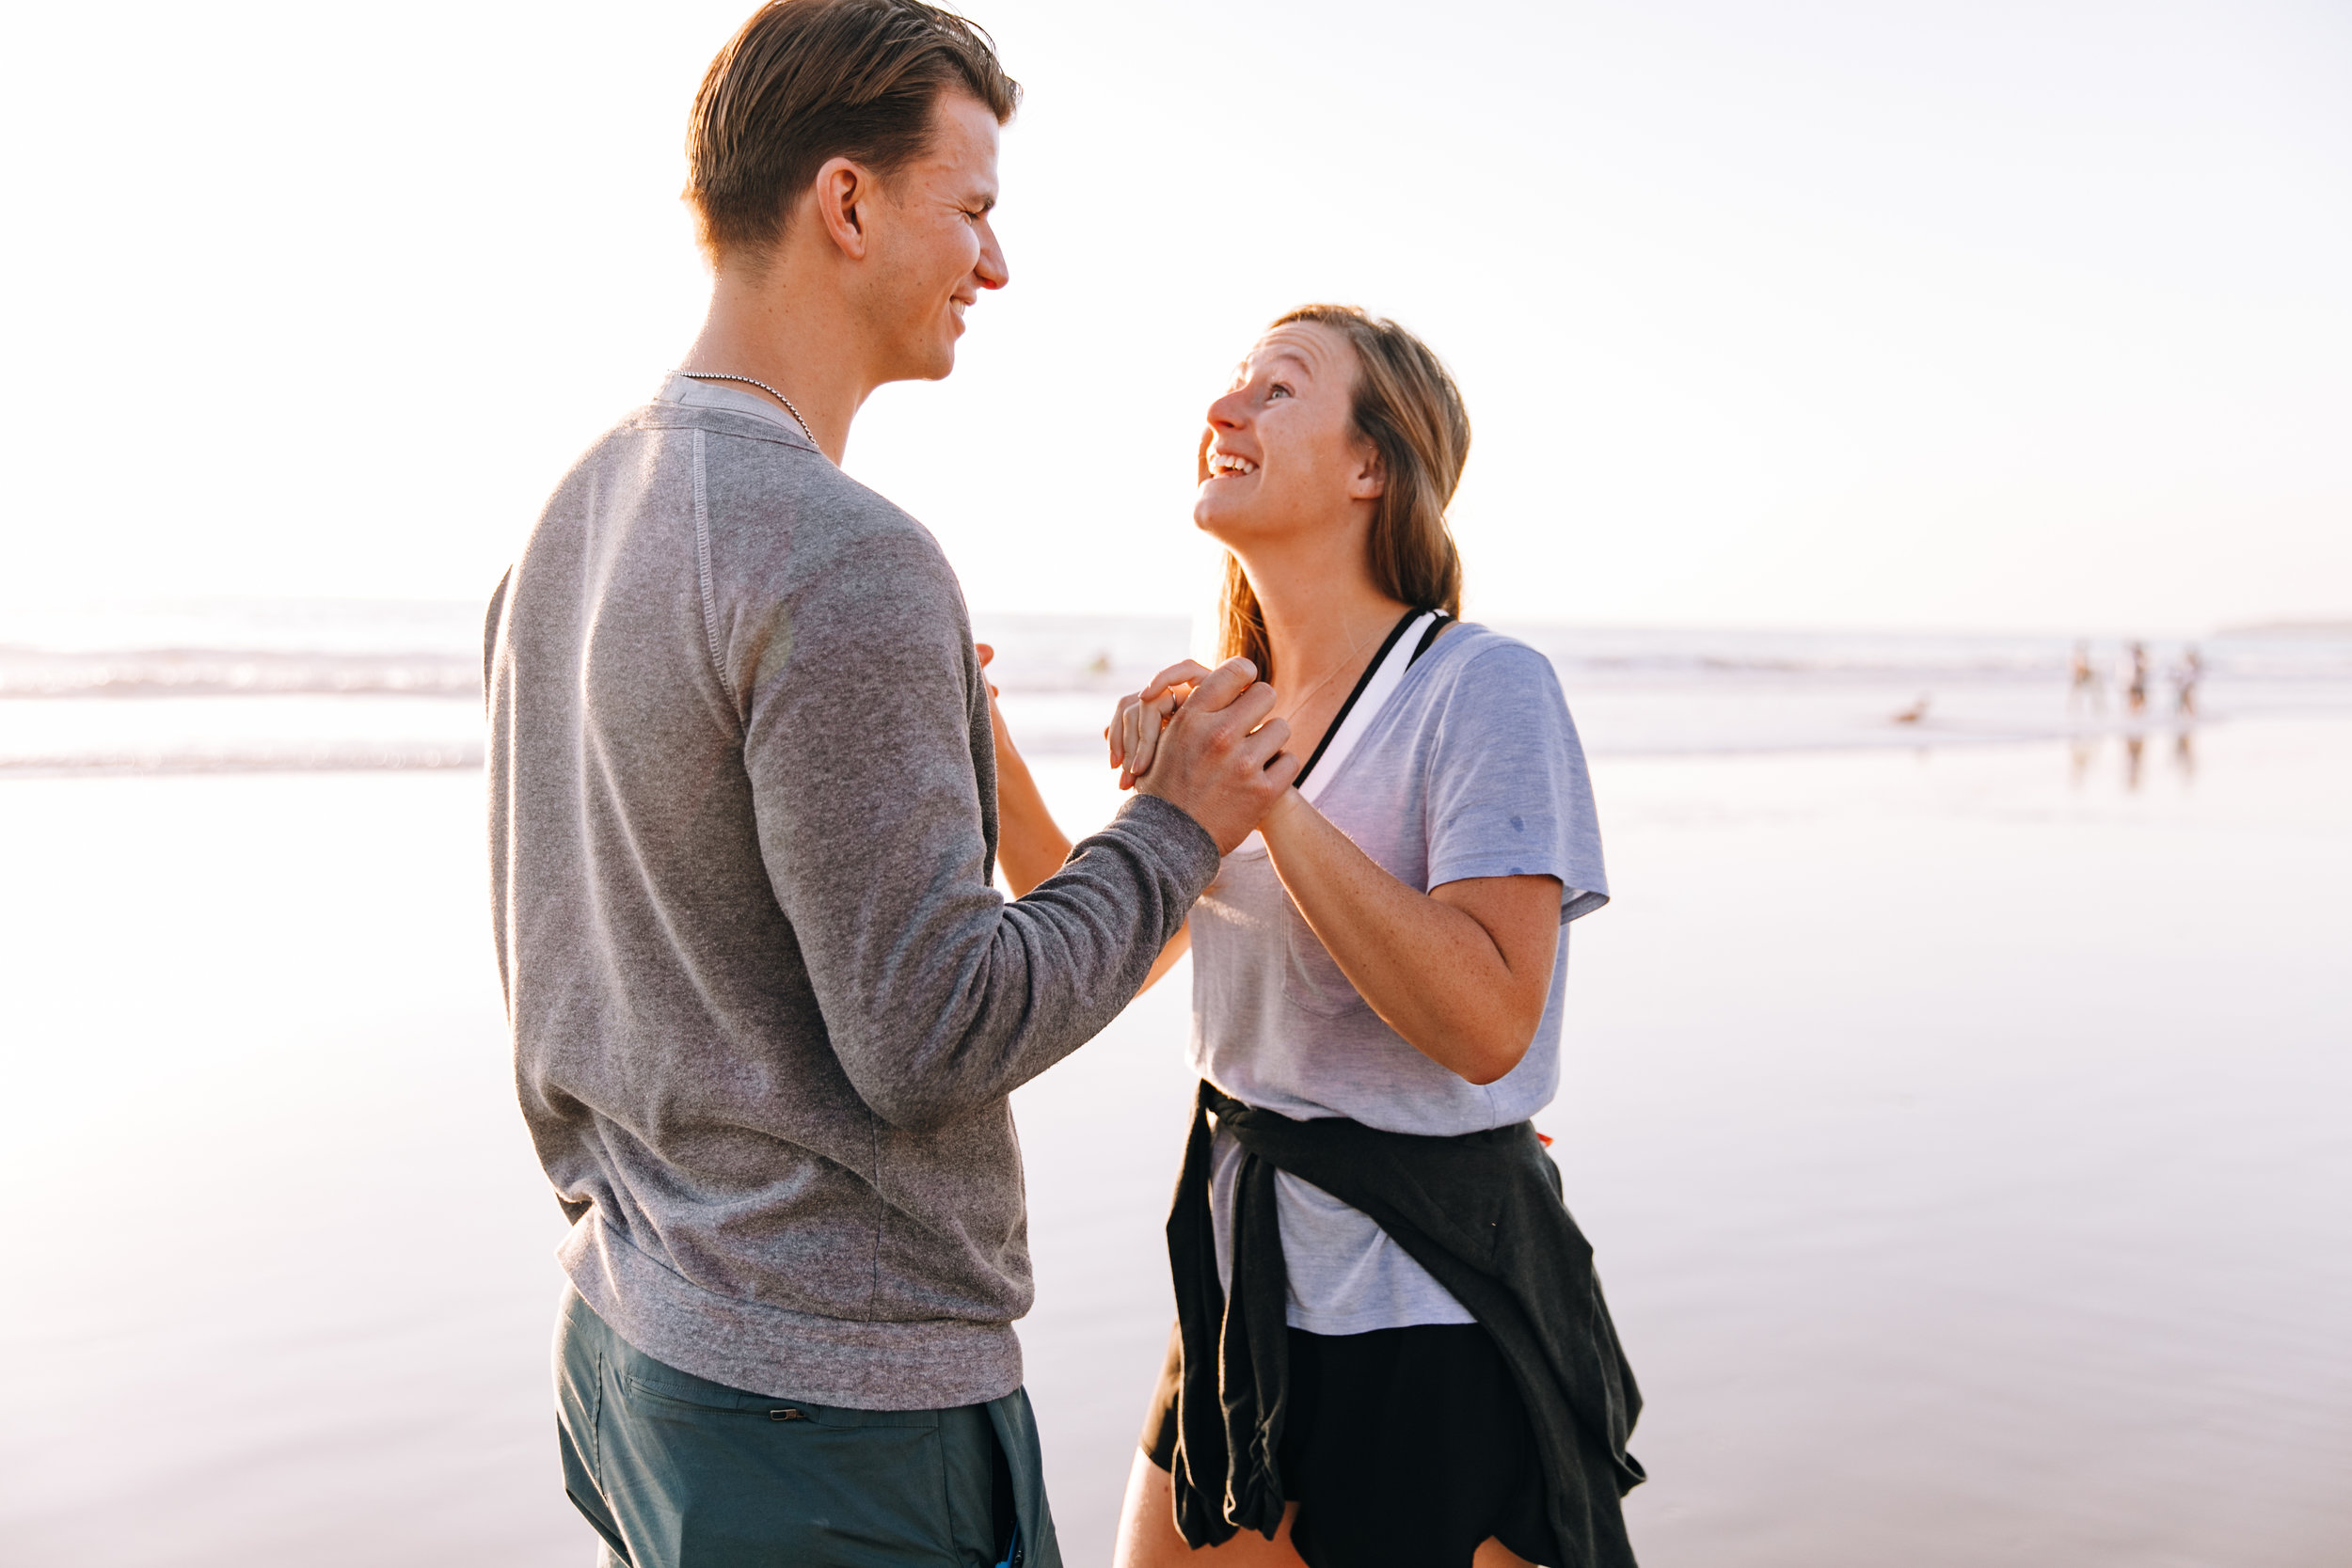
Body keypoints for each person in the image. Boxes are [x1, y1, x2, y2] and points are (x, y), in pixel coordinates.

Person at [483, 6, 1296, 1564]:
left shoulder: (571, 518)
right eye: (974, 209)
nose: (995, 266)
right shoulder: (846, 553)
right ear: (847, 205)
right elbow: (933, 1033)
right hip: (835, 1417)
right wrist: (1176, 824)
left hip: (632, 1348)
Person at [990, 307, 1643, 1568]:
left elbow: (1488, 1024)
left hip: (1431, 1319)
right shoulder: (1229, 704)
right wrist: (988, 743)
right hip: (1244, 1298)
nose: (1224, 410)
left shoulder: (1483, 689)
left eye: (1276, 390)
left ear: (1370, 467)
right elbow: (1117, 946)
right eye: (1231, 386)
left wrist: (1271, 798)